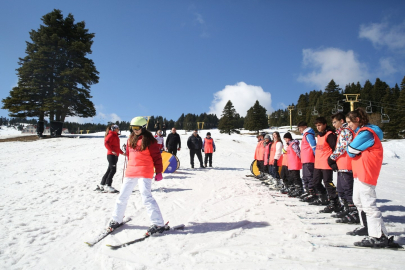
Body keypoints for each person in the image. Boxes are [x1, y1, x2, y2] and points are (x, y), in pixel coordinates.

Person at [107, 116, 166, 236]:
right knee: (122, 196)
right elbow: (129, 155)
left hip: (145, 170)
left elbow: (157, 157)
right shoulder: (130, 139)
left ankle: (158, 223)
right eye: (133, 128)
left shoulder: (150, 140)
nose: (135, 130)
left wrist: (159, 171)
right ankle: (116, 219)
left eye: (137, 128)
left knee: (146, 197)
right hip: (131, 171)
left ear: (144, 127)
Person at [345, 108, 390, 247]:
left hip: (366, 171)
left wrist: (354, 150)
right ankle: (368, 227)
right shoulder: (362, 131)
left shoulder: (366, 132)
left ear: (357, 120)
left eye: (349, 122)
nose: (348, 126)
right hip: (360, 170)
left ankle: (378, 235)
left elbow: (351, 150)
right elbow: (353, 150)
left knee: (368, 203)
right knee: (358, 200)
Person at [328, 112, 358, 221]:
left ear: (342, 121)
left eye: (335, 122)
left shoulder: (345, 131)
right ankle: (347, 209)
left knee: (347, 189)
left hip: (347, 165)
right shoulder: (340, 132)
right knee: (341, 190)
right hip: (341, 165)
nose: (333, 125)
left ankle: (354, 212)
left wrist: (332, 157)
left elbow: (342, 147)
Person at [311, 117, 338, 209]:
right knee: (315, 182)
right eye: (316, 126)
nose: (318, 127)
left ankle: (334, 201)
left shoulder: (330, 135)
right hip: (318, 164)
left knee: (327, 182)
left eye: (319, 125)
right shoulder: (319, 135)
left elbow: (335, 148)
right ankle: (323, 197)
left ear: (325, 124)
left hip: (326, 164)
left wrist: (333, 161)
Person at [95, 125, 124, 193]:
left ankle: (102, 184)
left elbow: (116, 147)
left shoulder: (115, 136)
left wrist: (123, 153)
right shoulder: (111, 135)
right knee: (113, 170)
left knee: (109, 170)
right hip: (111, 155)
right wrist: (112, 150)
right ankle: (108, 185)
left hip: (114, 155)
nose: (118, 129)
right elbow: (106, 143)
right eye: (117, 128)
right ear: (114, 129)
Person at [297, 121, 317, 202]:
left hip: (309, 159)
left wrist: (316, 156)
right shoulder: (305, 135)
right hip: (305, 159)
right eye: (299, 128)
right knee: (305, 176)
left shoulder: (308, 135)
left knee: (309, 176)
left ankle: (312, 192)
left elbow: (313, 146)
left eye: (300, 128)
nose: (299, 130)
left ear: (305, 127)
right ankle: (308, 191)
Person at [283, 132, 303, 197]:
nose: (285, 140)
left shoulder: (293, 144)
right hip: (291, 163)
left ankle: (299, 189)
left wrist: (301, 159)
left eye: (286, 138)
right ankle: (294, 188)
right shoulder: (289, 145)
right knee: (292, 177)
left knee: (296, 177)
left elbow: (298, 152)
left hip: (295, 163)